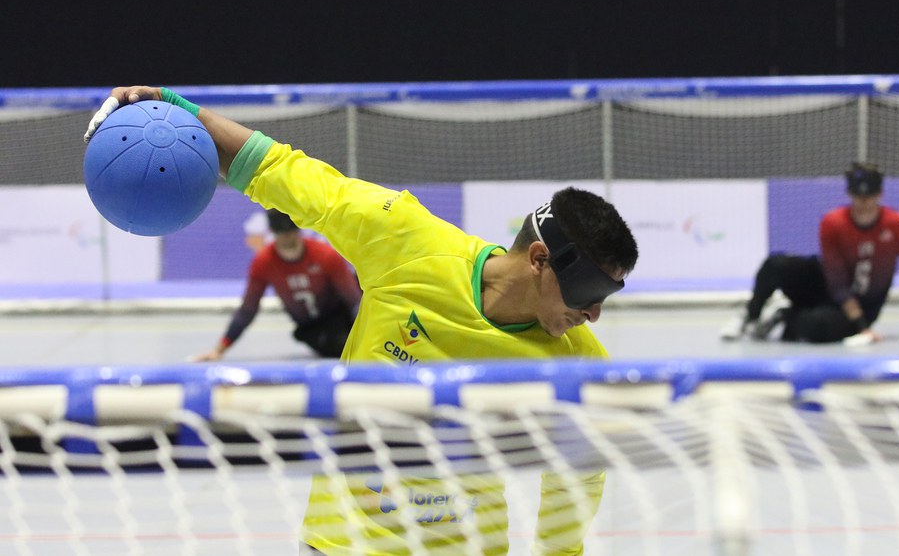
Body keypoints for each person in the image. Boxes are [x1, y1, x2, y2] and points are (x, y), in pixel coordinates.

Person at [85, 85, 638, 556]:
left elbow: (579, 475)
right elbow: (280, 170)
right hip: (341, 544)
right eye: (589, 290)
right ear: (540, 259)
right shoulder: (407, 240)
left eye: (606, 296)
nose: (592, 312)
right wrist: (171, 104)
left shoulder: (580, 360)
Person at [721, 162, 899, 346]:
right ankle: (750, 317)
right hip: (826, 285)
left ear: (880, 194)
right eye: (858, 196)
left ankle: (786, 315)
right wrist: (862, 330)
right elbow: (836, 281)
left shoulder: (898, 226)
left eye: (870, 196)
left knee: (819, 328)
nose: (864, 203)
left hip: (864, 304)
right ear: (849, 193)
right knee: (776, 264)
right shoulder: (833, 222)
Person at [190, 209, 361, 361]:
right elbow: (248, 310)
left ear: (299, 229)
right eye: (283, 233)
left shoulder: (325, 255)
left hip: (340, 313)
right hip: (313, 328)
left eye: (292, 232)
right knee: (341, 346)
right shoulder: (263, 262)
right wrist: (219, 350)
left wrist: (368, 333)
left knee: (362, 284)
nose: (289, 238)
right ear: (274, 233)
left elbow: (353, 301)